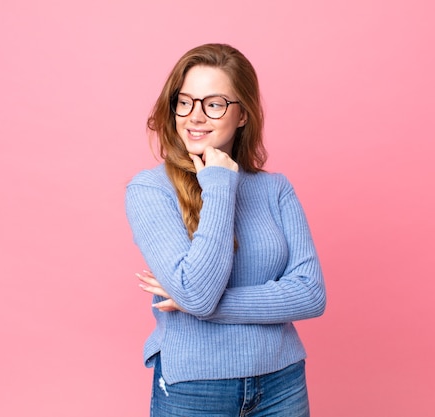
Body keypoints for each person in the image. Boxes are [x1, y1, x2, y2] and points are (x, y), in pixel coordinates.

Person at [125, 43, 326, 417]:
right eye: (185, 102)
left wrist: (199, 306)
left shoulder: (275, 188)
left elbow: (311, 294)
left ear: (243, 115)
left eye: (214, 104)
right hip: (195, 391)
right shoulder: (150, 190)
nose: (195, 117)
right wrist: (218, 183)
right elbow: (199, 294)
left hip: (282, 382)